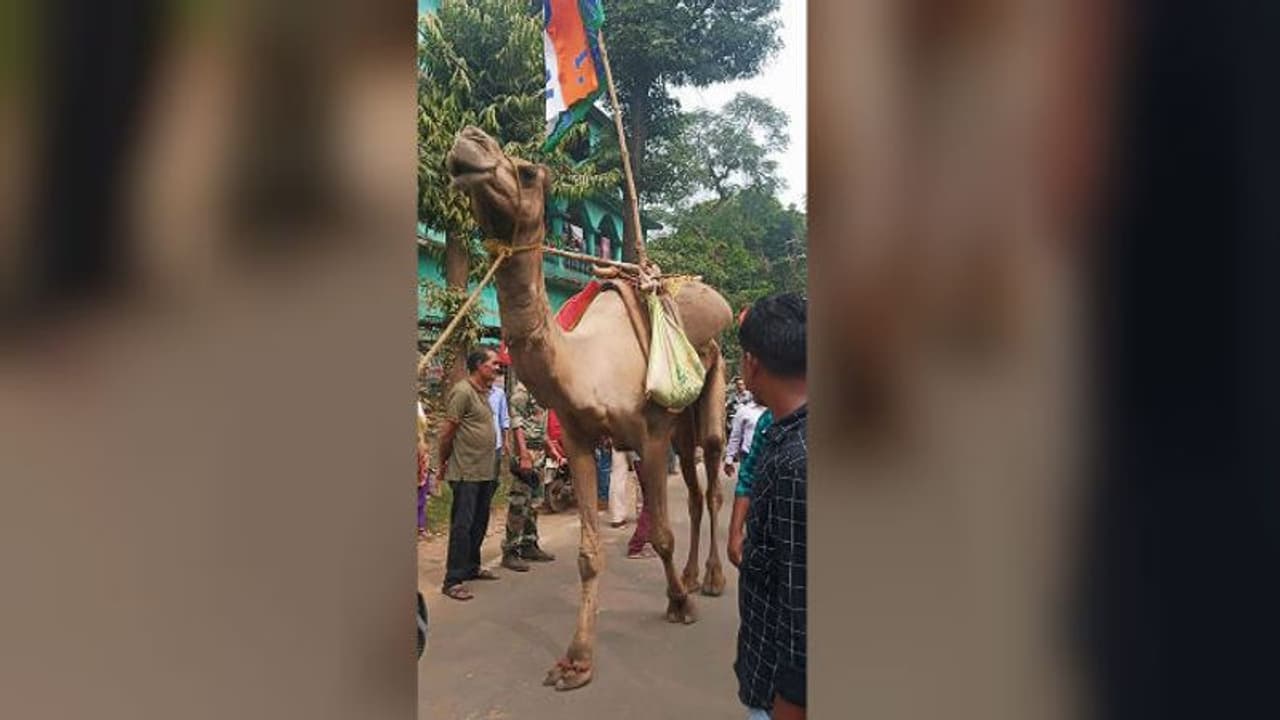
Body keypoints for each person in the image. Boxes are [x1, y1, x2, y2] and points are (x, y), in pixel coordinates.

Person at [732, 293, 807, 720]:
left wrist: (791, 702)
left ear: (752, 363)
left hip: (778, 693)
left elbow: (807, 602)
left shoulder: (798, 461)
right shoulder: (782, 437)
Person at [437, 347, 503, 602]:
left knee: (479, 523)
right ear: (479, 366)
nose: (498, 368)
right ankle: (453, 580)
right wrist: (442, 464)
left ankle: (471, 567)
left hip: (485, 471)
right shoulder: (462, 392)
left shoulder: (485, 393)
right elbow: (447, 432)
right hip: (466, 472)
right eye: (494, 364)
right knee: (462, 526)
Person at [501, 380, 557, 571]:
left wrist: (551, 449)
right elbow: (517, 426)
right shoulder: (521, 393)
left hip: (539, 452)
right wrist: (523, 454)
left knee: (535, 502)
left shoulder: (541, 390)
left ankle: (529, 544)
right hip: (526, 453)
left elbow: (540, 426)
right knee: (519, 503)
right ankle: (510, 551)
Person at [725, 392, 766, 472]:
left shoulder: (777, 410)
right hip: (748, 458)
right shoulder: (744, 411)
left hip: (770, 458)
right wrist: (729, 459)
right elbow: (735, 436)